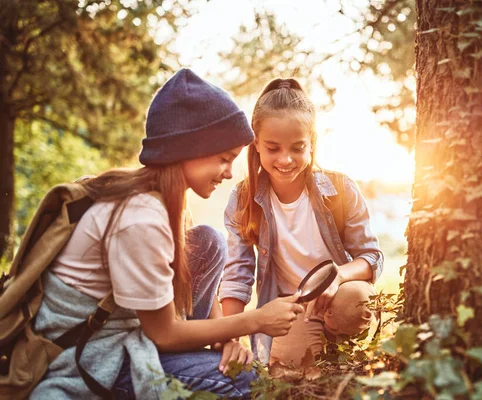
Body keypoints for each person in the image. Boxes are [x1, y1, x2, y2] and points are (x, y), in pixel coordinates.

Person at [30, 69, 303, 399]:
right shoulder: (141, 218)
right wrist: (254, 321)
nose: (229, 173)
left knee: (207, 241)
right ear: (187, 148)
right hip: (91, 354)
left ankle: (208, 355)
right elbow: (163, 334)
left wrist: (227, 340)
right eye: (223, 159)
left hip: (129, 331)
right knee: (245, 382)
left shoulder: (163, 200)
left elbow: (185, 287)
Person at [219, 78, 384, 366]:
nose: (285, 159)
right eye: (273, 148)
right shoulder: (243, 199)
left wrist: (337, 277)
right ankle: (317, 356)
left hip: (340, 296)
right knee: (296, 368)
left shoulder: (341, 189)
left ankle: (343, 352)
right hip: (292, 306)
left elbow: (371, 257)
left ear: (312, 145)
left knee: (354, 305)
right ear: (256, 144)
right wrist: (230, 337)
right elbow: (237, 274)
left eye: (297, 148)